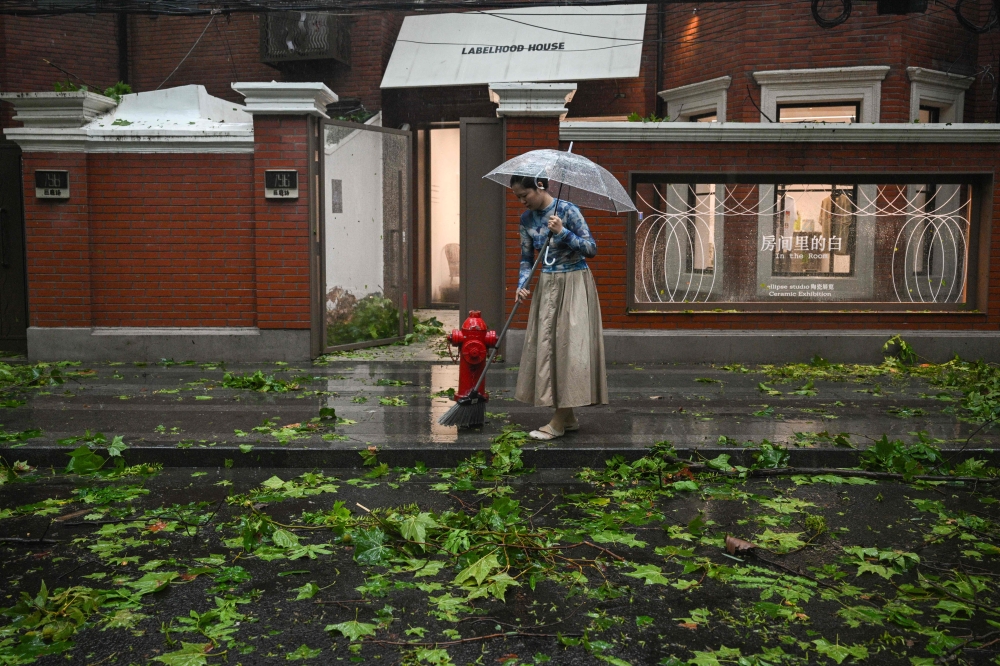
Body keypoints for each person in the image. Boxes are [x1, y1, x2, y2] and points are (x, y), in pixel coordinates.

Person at [511, 175, 608, 440]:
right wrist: (522, 283)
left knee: (568, 349)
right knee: (549, 348)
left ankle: (557, 421)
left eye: (524, 196)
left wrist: (562, 232)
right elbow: (526, 257)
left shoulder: (568, 210)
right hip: (547, 285)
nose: (522, 202)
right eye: (517, 197)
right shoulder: (526, 220)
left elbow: (591, 248)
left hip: (575, 283)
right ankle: (569, 417)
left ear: (539, 186)